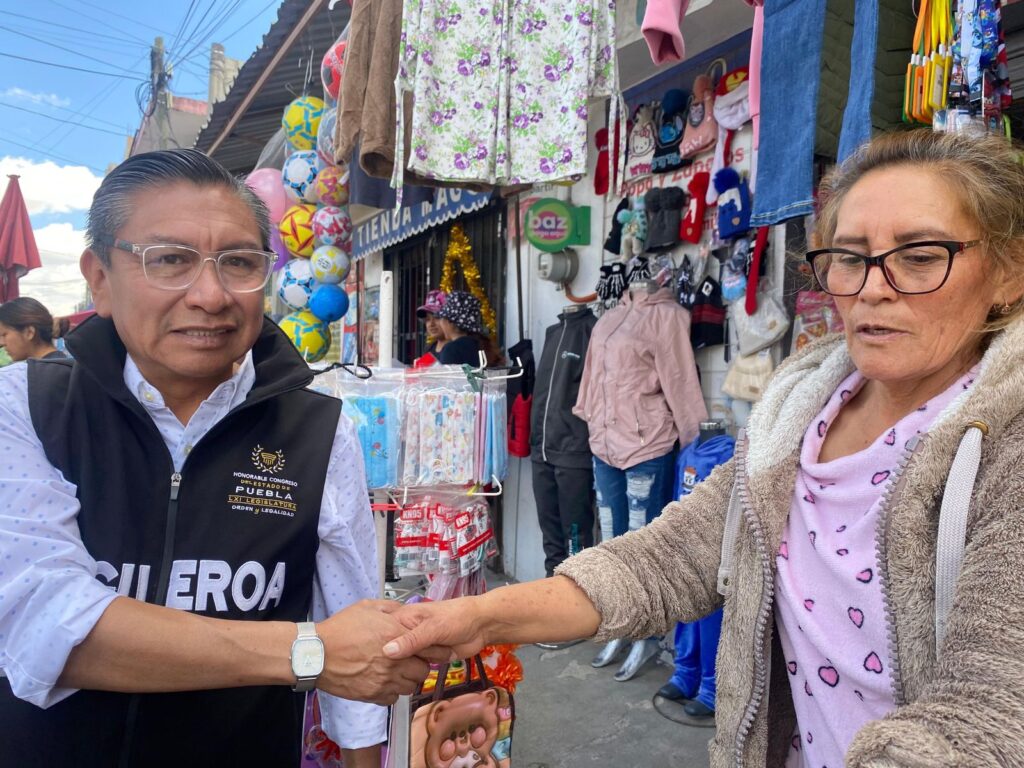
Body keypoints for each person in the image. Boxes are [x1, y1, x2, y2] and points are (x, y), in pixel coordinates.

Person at [379, 130, 1024, 767]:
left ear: (1007, 273)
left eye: (919, 255)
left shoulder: (1007, 448)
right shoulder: (796, 416)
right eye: (851, 257)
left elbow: (988, 718)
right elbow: (669, 559)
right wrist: (482, 617)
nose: (873, 288)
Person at [0, 149, 435, 768]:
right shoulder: (25, 407)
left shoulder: (319, 430)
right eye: (170, 260)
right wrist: (305, 652)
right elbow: (43, 622)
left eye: (238, 263)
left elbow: (353, 629)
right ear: (99, 278)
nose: (210, 295)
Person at [436, 289, 503, 366]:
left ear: (449, 322)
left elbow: (445, 377)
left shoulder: (451, 349)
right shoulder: (482, 343)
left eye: (441, 319)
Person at [0, 296, 70, 361]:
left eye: (4, 335)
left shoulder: (20, 373)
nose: (1, 343)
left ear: (29, 332)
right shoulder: (73, 366)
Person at [413, 288, 448, 367]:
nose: (431, 324)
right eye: (428, 319)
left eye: (437, 318)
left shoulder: (455, 348)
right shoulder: (429, 348)